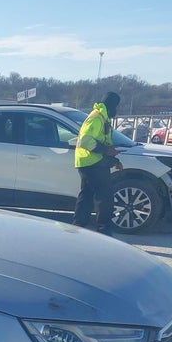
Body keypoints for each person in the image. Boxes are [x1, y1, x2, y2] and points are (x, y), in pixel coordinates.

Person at [73, 91, 123, 235]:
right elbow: (86, 141)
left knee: (87, 195)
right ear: (112, 106)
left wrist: (114, 160)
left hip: (89, 162)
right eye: (116, 106)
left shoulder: (102, 117)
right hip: (92, 162)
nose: (117, 110)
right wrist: (107, 151)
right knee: (104, 196)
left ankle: (78, 227)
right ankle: (103, 231)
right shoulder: (97, 118)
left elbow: (104, 143)